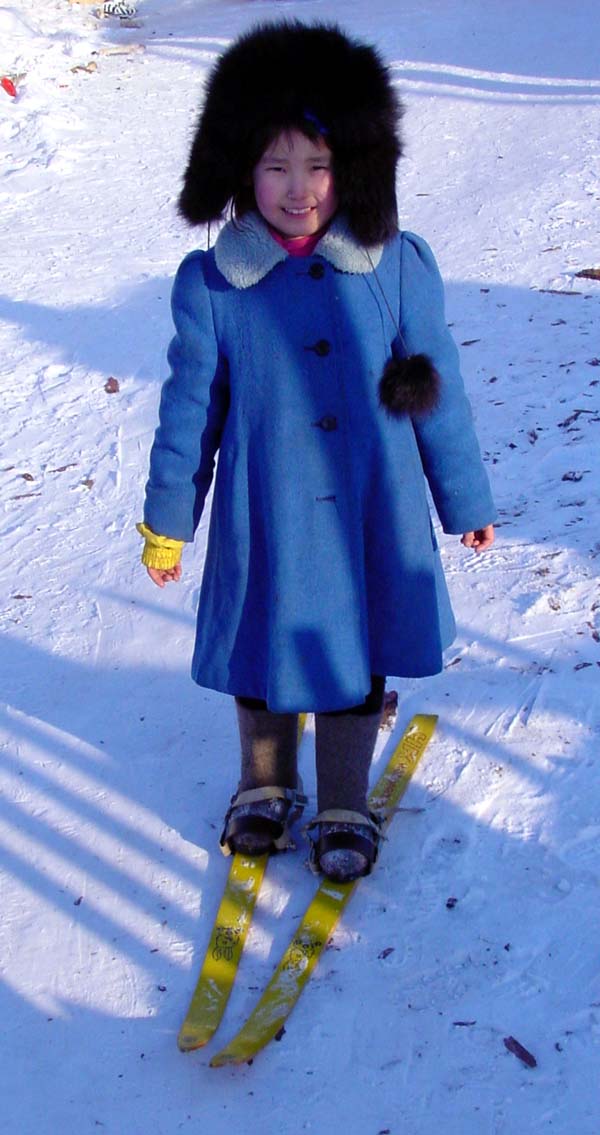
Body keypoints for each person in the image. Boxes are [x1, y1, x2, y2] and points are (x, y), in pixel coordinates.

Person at [138, 21, 496, 883]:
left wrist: (466, 500)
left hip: (370, 506)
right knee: (261, 646)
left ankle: (343, 800)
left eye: (319, 165)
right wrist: (168, 520)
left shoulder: (396, 265)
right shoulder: (215, 283)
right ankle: (264, 785)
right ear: (239, 171)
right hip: (265, 509)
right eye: (275, 166)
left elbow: (433, 384)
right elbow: (192, 407)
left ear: (355, 168)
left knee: (352, 649)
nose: (298, 190)